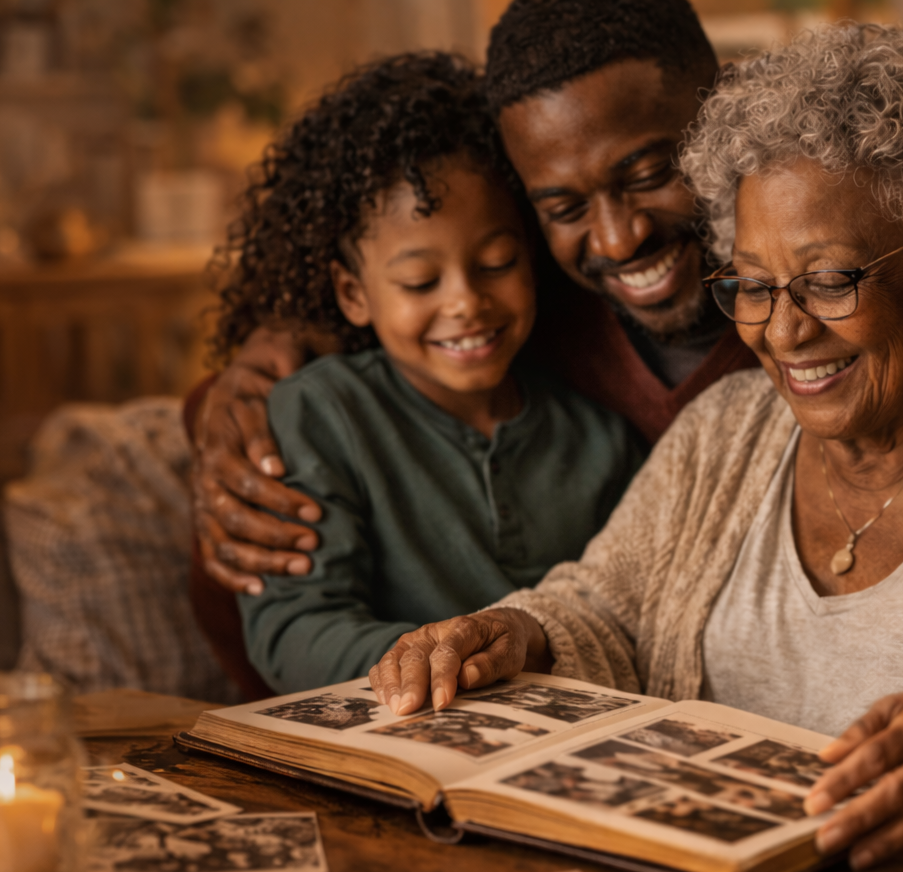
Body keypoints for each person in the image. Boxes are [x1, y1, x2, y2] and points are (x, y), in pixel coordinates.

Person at [367, 25, 903, 870]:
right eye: (751, 284)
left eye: (828, 280)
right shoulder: (723, 429)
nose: (781, 330)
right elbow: (603, 606)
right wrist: (515, 630)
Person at [185, 0, 758, 695]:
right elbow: (292, 622)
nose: (614, 240)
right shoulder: (339, 400)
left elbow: (622, 606)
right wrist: (229, 403)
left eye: (646, 175)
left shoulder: (602, 422)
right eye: (565, 208)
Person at [221, 53, 642, 692]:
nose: (466, 303)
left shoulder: (601, 441)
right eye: (420, 280)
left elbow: (630, 614)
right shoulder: (322, 413)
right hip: (388, 736)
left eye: (497, 263)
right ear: (352, 293)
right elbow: (294, 628)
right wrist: (437, 662)